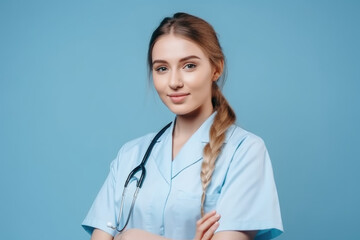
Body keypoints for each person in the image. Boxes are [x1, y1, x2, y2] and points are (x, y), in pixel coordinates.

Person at [82, 12, 283, 240]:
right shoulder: (131, 155)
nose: (174, 82)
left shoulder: (245, 151)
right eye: (162, 68)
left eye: (189, 65)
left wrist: (130, 237)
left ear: (216, 68)